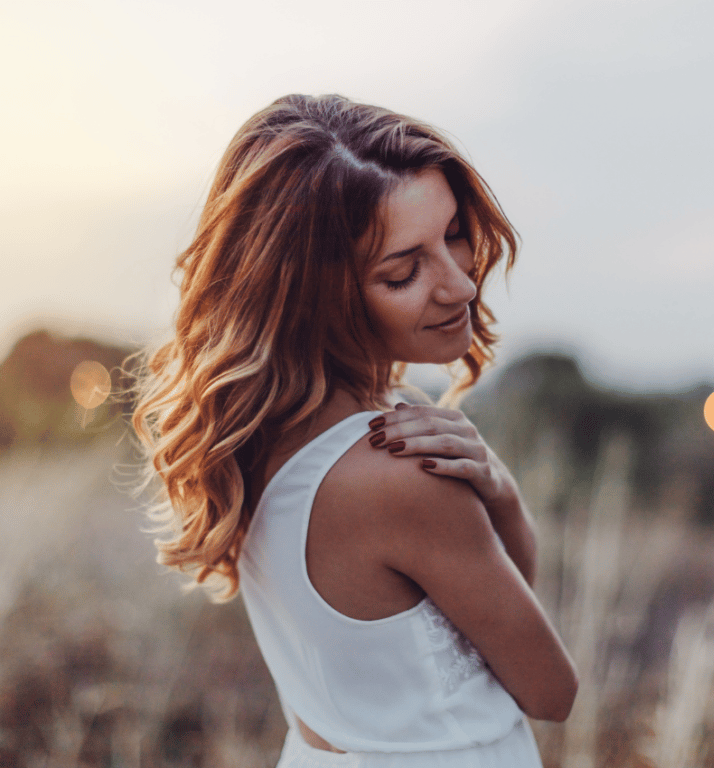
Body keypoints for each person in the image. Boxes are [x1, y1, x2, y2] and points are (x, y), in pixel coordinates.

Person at [132, 94, 578, 767]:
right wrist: (498, 494)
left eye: (454, 233)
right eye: (403, 271)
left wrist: (497, 491)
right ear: (318, 293)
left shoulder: (253, 431)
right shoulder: (400, 470)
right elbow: (549, 690)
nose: (458, 283)